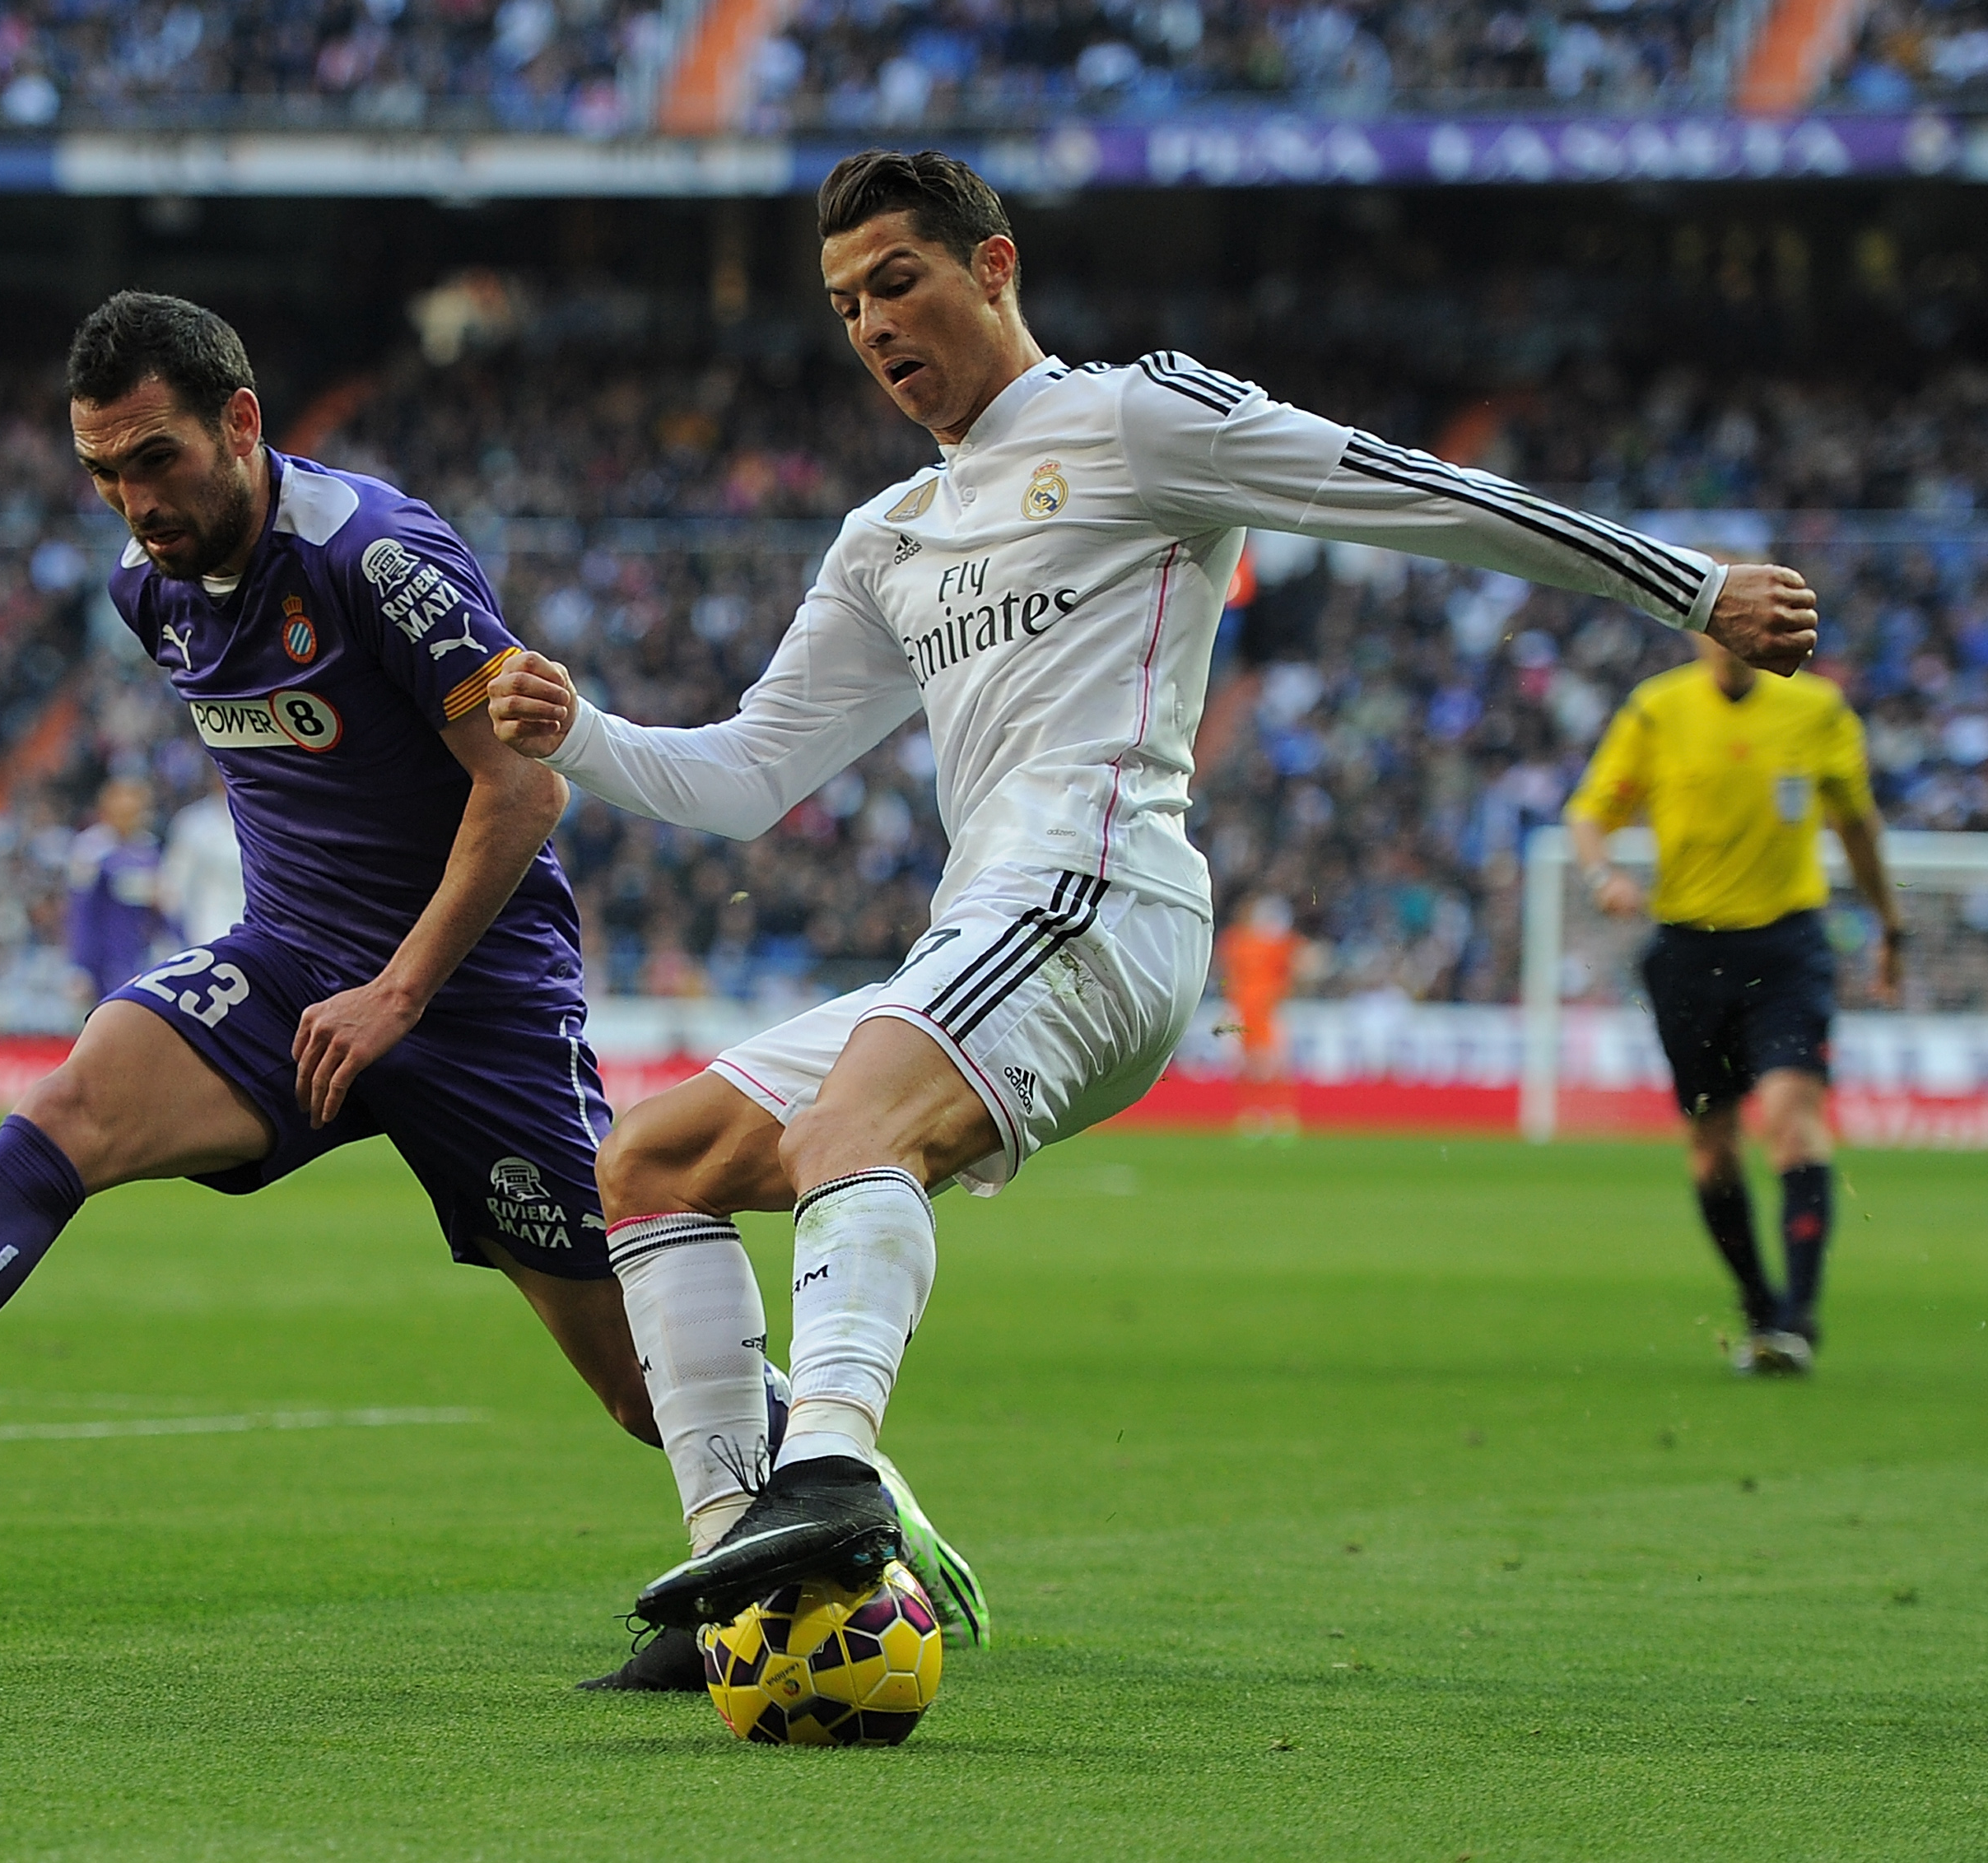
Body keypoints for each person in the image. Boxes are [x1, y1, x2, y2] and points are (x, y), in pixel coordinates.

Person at [487, 148, 1824, 1632]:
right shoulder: (887, 538)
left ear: (993, 267)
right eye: (847, 301)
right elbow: (747, 777)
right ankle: (738, 1573)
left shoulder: (1136, 417)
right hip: (987, 924)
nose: (870, 326)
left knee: (854, 1119)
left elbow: (1411, 490)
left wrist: (1688, 584)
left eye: (898, 281)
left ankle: (836, 1472)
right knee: (651, 1163)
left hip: (1103, 894)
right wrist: (583, 734)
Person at [0, 290, 971, 1699]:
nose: (133, 503)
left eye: (155, 460)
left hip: (476, 1009)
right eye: (103, 473)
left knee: (645, 1385)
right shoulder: (147, 594)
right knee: (77, 1102)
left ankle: (866, 1509)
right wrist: (330, 970)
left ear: (242, 423)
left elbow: (525, 791)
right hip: (285, 975)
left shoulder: (377, 558)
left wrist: (398, 991)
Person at [1567, 629, 1899, 1375]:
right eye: (1719, 623)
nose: (1734, 640)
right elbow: (1590, 813)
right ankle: (1759, 1303)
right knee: (1713, 1146)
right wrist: (1601, 877)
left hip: (1786, 948)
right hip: (1688, 953)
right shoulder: (1658, 710)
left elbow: (1857, 826)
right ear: (1696, 628)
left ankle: (1797, 1321)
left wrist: (1892, 923)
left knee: (1791, 1120)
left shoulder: (1817, 711)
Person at [67, 775, 169, 1002]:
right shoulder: (91, 850)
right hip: (102, 957)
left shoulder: (149, 850)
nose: (131, 818)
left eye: (136, 812)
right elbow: (81, 911)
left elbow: (161, 909)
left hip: (139, 954)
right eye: (124, 812)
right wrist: (80, 966)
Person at [1217, 892, 1307, 1139]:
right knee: (1245, 1063)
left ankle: (1281, 1113)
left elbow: (1296, 964)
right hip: (1242, 1010)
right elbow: (1228, 972)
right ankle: (1251, 1113)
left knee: (1275, 1062)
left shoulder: (1277, 943)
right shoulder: (1236, 940)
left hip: (1268, 1010)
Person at [159, 767, 247, 948]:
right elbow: (173, 887)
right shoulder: (193, 823)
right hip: (206, 936)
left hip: (255, 936)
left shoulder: (265, 821)